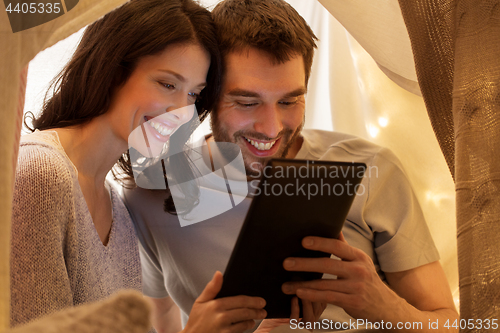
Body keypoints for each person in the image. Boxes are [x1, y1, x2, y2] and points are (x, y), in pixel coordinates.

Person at [121, 0, 459, 332]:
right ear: (207, 96)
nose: (271, 128)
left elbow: (451, 324)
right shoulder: (151, 195)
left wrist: (383, 305)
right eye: (247, 102)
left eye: (289, 100)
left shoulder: (372, 169)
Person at [10, 0, 269, 331]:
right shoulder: (42, 176)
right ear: (113, 69)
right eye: (167, 84)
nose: (181, 111)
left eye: (193, 94)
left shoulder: (116, 207)